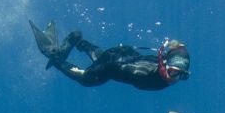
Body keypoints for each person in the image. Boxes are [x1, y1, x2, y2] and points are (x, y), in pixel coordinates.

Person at [30, 20, 190, 90]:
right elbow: (112, 66)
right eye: (173, 72)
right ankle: (54, 56)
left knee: (104, 58)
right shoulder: (143, 75)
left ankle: (77, 40)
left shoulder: (162, 65)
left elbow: (179, 48)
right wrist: (91, 72)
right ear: (164, 65)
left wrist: (177, 46)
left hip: (125, 53)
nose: (174, 78)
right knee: (86, 80)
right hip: (115, 64)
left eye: (181, 76)